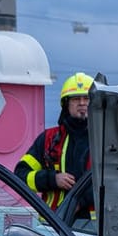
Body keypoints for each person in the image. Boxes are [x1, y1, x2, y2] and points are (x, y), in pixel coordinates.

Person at [18, 72, 94, 212]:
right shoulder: (48, 138)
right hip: (54, 223)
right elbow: (20, 175)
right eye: (76, 99)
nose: (82, 103)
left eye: (87, 98)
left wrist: (80, 201)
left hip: (96, 228)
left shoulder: (108, 139)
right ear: (66, 104)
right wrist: (52, 179)